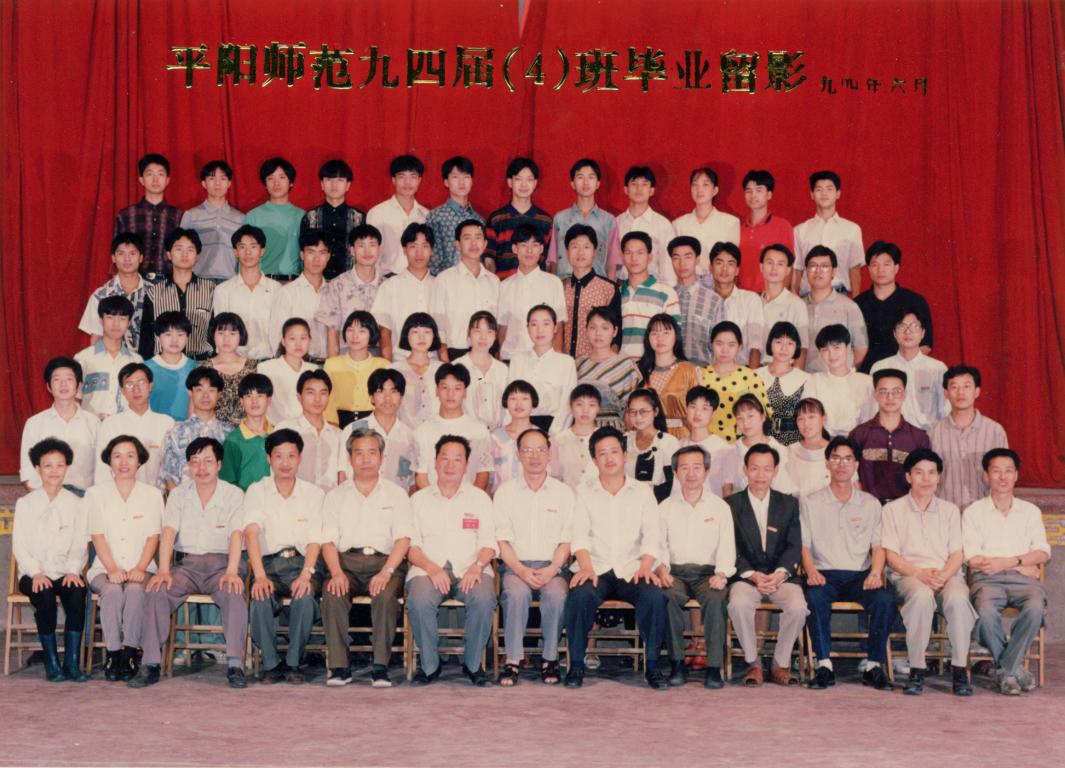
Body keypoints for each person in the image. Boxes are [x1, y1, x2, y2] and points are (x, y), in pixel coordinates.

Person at [131, 437, 248, 689]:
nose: (201, 468)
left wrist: (231, 571)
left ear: (219, 464)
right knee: (157, 590)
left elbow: (236, 534)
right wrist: (163, 570)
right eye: (195, 462)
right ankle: (150, 663)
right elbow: (168, 532)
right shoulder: (178, 494)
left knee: (234, 593)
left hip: (222, 564)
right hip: (187, 566)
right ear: (188, 466)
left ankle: (235, 665)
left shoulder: (234, 494)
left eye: (208, 461)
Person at [564, 426, 669, 689]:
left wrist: (647, 566)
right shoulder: (584, 492)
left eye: (614, 451)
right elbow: (579, 535)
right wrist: (585, 567)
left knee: (654, 596)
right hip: (595, 567)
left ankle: (653, 667)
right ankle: (575, 666)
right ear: (594, 460)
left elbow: (652, 534)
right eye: (602, 453)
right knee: (579, 595)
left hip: (632, 568)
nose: (609, 458)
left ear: (625, 455)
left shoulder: (642, 491)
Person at [320, 428, 411, 688]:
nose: (365, 459)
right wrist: (336, 573)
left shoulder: (396, 494)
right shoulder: (336, 496)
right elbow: (328, 541)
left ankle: (380, 666)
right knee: (333, 591)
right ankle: (339, 666)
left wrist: (386, 572)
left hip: (385, 563)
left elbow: (403, 539)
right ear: (350, 458)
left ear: (382, 457)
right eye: (359, 453)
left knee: (385, 595)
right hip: (346, 563)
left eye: (372, 453)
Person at [801, 436, 894, 690]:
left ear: (856, 464)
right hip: (825, 573)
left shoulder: (870, 503)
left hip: (859, 575)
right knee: (814, 597)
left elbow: (878, 545)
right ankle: (824, 666)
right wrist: (811, 571)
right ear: (827, 463)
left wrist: (876, 572)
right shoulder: (811, 501)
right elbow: (804, 545)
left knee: (884, 601)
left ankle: (873, 666)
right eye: (835, 458)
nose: (841, 464)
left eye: (848, 459)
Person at [880, 448, 976, 696]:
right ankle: (917, 669)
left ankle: (959, 670)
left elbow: (957, 553)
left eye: (932, 473)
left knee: (958, 599)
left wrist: (944, 575)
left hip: (946, 574)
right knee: (922, 597)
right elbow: (891, 555)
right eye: (919, 473)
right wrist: (919, 573)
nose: (926, 479)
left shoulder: (950, 510)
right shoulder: (892, 510)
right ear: (908, 476)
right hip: (908, 575)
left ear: (939, 477)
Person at [407, 435, 498, 686]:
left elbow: (490, 542)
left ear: (466, 465)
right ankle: (429, 666)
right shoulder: (418, 500)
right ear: (435, 462)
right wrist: (431, 568)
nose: (450, 465)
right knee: (419, 600)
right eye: (444, 458)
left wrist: (477, 567)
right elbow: (411, 546)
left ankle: (473, 665)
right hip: (428, 568)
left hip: (472, 567)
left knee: (484, 599)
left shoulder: (479, 498)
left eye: (457, 459)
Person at [963, 448, 1050, 695]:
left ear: (1016, 475)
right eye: (996, 471)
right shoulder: (973, 512)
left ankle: (1004, 670)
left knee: (1035, 608)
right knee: (985, 613)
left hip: (1024, 581)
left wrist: (1009, 562)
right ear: (986, 476)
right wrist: (1020, 563)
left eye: (1008, 471)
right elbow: (973, 558)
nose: (1003, 477)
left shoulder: (1030, 511)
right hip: (987, 579)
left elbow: (1042, 552)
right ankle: (1013, 670)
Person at [244, 428, 325, 683]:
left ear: (299, 458)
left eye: (291, 456)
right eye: (278, 456)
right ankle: (270, 663)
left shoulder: (314, 494)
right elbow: (251, 533)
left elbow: (315, 540)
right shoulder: (257, 491)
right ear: (269, 458)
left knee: (304, 597)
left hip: (303, 563)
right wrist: (259, 576)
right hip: (268, 564)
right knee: (260, 598)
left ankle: (293, 662)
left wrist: (306, 574)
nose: (285, 463)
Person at [495, 428, 574, 686]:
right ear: (518, 455)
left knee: (557, 595)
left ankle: (550, 658)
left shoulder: (564, 493)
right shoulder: (505, 492)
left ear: (549, 454)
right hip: (516, 567)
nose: (534, 456)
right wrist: (520, 569)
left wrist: (552, 569)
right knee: (515, 594)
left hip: (553, 567)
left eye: (540, 450)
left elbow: (566, 540)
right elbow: (502, 541)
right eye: (527, 450)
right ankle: (512, 660)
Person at [725, 444, 807, 686]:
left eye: (767, 469)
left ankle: (780, 663)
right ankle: (754, 663)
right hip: (746, 576)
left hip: (780, 576)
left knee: (798, 607)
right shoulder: (730, 504)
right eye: (754, 468)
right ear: (745, 470)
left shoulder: (788, 504)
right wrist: (751, 574)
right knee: (738, 604)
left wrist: (780, 573)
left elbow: (794, 545)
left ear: (776, 471)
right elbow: (728, 547)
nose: (760, 475)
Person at [656, 445, 735, 688]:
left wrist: (722, 574)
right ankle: (677, 664)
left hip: (708, 574)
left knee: (716, 598)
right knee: (665, 597)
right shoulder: (665, 507)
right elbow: (658, 545)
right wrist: (661, 570)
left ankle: (713, 667)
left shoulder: (720, 507)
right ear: (676, 473)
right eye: (684, 468)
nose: (691, 473)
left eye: (697, 467)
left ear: (707, 471)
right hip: (675, 573)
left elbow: (727, 546)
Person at [87, 435, 164, 681]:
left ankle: (130, 653)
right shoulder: (95, 494)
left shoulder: (152, 495)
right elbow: (97, 535)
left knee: (134, 590)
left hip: (142, 567)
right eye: (117, 456)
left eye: (130, 456)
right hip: (103, 568)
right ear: (109, 461)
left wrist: (140, 567)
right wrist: (111, 569)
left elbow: (153, 537)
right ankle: (113, 654)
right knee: (111, 591)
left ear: (139, 461)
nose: (124, 462)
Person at [12, 438, 90, 682]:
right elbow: (20, 546)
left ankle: (72, 664)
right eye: (48, 465)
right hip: (33, 572)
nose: (54, 471)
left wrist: (73, 570)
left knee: (76, 593)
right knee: (44, 596)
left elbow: (80, 543)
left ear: (67, 467)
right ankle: (51, 663)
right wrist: (35, 572)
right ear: (38, 469)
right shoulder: (26, 504)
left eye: (59, 465)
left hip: (65, 570)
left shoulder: (76, 503)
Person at [930, 365, 1009, 510]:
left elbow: (1004, 477)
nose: (960, 392)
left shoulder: (994, 431)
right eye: (954, 387)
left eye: (967, 386)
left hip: (983, 513)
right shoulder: (933, 433)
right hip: (944, 513)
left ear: (977, 392)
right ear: (946, 393)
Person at [850, 369, 931, 504]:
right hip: (867, 507)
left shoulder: (919, 438)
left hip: (907, 509)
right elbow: (850, 473)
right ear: (875, 395)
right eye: (883, 391)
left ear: (904, 394)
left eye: (896, 391)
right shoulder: (859, 434)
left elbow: (924, 476)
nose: (890, 397)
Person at [20, 357, 99, 494]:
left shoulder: (93, 423)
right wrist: (46, 499)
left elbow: (102, 469)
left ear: (78, 386)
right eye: (57, 379)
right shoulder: (34, 423)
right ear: (48, 387)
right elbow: (27, 472)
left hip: (84, 498)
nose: (63, 384)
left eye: (69, 379)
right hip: (46, 497)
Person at [137, 228, 215, 360]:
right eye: (179, 249)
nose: (184, 254)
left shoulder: (211, 290)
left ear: (197, 256)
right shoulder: (154, 293)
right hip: (164, 363)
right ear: (169, 254)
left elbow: (216, 332)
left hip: (200, 363)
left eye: (190, 249)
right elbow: (146, 338)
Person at [855, 241, 933, 372]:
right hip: (866, 375)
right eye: (875, 265)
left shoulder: (915, 301)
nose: (880, 270)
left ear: (896, 268)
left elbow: (926, 345)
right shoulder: (857, 304)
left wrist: (899, 367)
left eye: (886, 264)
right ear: (868, 269)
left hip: (904, 373)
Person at [412, 364, 492, 490]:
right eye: (445, 387)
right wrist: (434, 499)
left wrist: (470, 498)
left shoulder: (479, 430)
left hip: (469, 499)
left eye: (457, 388)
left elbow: (483, 473)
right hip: (432, 499)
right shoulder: (423, 431)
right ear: (436, 391)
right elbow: (421, 476)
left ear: (465, 392)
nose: (450, 394)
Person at [95, 363, 174, 488]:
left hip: (156, 494)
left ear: (150, 386)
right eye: (129, 384)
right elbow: (102, 470)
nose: (136, 389)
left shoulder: (166, 423)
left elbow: (171, 468)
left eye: (141, 383)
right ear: (122, 391)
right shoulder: (110, 424)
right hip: (118, 494)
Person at [429, 219, 500, 360]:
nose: (474, 243)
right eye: (467, 238)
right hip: (456, 353)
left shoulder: (494, 281)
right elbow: (437, 324)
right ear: (457, 244)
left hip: (488, 354)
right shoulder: (444, 279)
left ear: (485, 244)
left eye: (478, 238)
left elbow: (497, 322)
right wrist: (444, 360)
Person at [870, 308, 949, 431]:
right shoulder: (880, 368)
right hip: (891, 435)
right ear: (894, 333)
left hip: (928, 435)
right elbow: (873, 409)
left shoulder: (937, 368)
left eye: (914, 326)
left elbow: (946, 410)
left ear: (923, 333)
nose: (908, 332)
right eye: (902, 326)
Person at [157, 367, 235, 491]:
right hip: (184, 500)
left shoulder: (230, 433)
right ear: (190, 392)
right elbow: (168, 477)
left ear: (219, 394)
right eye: (199, 389)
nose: (205, 395)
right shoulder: (176, 433)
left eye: (211, 390)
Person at [338, 368, 417, 490]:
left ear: (401, 397)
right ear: (371, 397)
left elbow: (408, 479)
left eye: (394, 391)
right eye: (381, 391)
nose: (387, 398)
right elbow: (342, 474)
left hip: (395, 499)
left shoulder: (409, 435)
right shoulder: (353, 430)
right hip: (359, 497)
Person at [316, 224, 387, 358]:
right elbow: (332, 332)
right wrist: (334, 365)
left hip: (379, 358)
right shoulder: (337, 285)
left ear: (379, 250)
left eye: (372, 245)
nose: (367, 251)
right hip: (346, 357)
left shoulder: (387, 286)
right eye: (361, 246)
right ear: (352, 251)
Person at [497, 224, 566, 360]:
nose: (529, 251)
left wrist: (556, 358)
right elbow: (503, 328)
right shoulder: (505, 285)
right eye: (523, 245)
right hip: (512, 358)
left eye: (534, 245)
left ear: (541, 249)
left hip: (544, 358)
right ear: (514, 248)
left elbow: (558, 325)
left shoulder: (553, 283)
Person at [212, 224, 281, 361]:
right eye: (242, 247)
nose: (248, 252)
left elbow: (280, 330)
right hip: (234, 362)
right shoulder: (223, 290)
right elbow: (220, 332)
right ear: (235, 252)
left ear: (262, 251)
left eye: (253, 246)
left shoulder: (277, 289)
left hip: (268, 360)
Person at [792, 171, 864, 297]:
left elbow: (855, 270)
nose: (824, 193)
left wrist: (857, 302)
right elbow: (797, 269)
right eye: (819, 189)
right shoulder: (799, 230)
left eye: (829, 189)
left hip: (839, 295)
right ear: (812, 195)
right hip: (808, 296)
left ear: (838, 193)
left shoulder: (852, 229)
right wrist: (794, 300)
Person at [507, 305, 577, 434]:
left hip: (552, 427)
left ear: (555, 328)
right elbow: (510, 398)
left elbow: (567, 404)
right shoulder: (517, 360)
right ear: (528, 328)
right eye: (534, 324)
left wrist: (554, 434)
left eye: (546, 324)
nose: (540, 330)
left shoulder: (566, 362)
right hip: (520, 425)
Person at [372, 223, 436, 361]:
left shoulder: (440, 285)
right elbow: (384, 332)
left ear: (431, 250)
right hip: (400, 361)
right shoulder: (390, 286)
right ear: (404, 250)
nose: (419, 253)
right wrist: (388, 366)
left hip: (434, 362)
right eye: (413, 246)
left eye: (425, 246)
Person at [547, 158, 619, 279]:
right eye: (580, 177)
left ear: (598, 184)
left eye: (591, 177)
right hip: (565, 282)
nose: (585, 182)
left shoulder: (608, 220)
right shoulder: (560, 219)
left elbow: (612, 261)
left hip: (597, 284)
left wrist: (611, 287)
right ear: (572, 184)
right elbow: (553, 259)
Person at [113, 153, 182, 280]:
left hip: (168, 283)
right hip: (134, 282)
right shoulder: (125, 215)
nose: (155, 180)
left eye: (160, 174)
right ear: (141, 180)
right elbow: (117, 253)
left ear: (167, 180)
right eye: (150, 174)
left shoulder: (178, 216)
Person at [267, 229, 332, 364]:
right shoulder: (287, 293)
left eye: (322, 253)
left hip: (330, 365)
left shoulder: (335, 292)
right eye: (311, 252)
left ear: (328, 256)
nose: (316, 259)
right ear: (302, 255)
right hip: (298, 365)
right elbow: (276, 337)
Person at [700, 321, 770, 443]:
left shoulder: (750, 376)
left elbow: (763, 414)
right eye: (719, 344)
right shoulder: (699, 374)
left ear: (740, 347)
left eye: (731, 345)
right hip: (704, 442)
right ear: (711, 344)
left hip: (739, 444)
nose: (724, 350)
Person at [74, 295, 142, 418]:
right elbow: (75, 398)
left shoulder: (136, 361)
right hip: (92, 425)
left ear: (129, 322)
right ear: (101, 320)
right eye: (110, 317)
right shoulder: (83, 358)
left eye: (122, 318)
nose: (116, 324)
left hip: (125, 426)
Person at [484, 157, 553, 278]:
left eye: (529, 179)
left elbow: (549, 263)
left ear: (535, 183)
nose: (524, 184)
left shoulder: (546, 221)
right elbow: (489, 261)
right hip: (504, 286)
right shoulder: (496, 220)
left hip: (537, 286)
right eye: (518, 179)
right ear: (510, 182)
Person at [804, 246, 868, 374]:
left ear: (834, 271)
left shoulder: (849, 307)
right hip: (804, 380)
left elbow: (861, 348)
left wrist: (846, 377)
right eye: (813, 266)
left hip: (838, 380)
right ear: (806, 271)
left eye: (824, 266)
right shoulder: (798, 306)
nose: (818, 271)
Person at [79, 233, 149, 351]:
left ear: (141, 257)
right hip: (112, 359)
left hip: (147, 360)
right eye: (121, 253)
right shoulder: (101, 295)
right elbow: (96, 337)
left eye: (132, 253)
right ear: (113, 258)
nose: (127, 259)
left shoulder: (154, 292)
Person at [179, 160, 246, 283]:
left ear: (229, 183)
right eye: (212, 178)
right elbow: (181, 250)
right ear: (204, 183)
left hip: (231, 282)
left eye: (222, 178)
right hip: (198, 280)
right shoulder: (191, 215)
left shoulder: (240, 218)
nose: (217, 183)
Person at [575, 307, 641, 430]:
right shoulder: (577, 364)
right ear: (586, 330)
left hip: (613, 430)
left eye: (605, 328)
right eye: (593, 327)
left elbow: (631, 408)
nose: (598, 333)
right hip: (582, 428)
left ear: (615, 331)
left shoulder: (626, 365)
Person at [804, 325, 876, 436]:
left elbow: (871, 420)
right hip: (822, 441)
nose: (832, 354)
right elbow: (808, 418)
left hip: (858, 441)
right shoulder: (814, 381)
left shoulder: (866, 382)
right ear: (820, 353)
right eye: (825, 350)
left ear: (848, 348)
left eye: (837, 348)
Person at [300, 159, 365, 280]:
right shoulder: (310, 217)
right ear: (322, 184)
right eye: (329, 179)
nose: (334, 185)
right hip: (317, 282)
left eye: (340, 180)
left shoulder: (359, 218)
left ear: (348, 185)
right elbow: (303, 252)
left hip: (350, 282)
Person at [637, 313, 700, 439]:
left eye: (666, 332)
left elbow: (697, 411)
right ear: (648, 338)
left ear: (676, 336)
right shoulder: (638, 371)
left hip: (680, 438)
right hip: (647, 437)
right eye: (654, 333)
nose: (660, 338)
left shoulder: (688, 370)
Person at [277, 369, 343, 490]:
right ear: (299, 397)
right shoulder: (285, 429)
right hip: (296, 498)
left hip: (329, 499)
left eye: (323, 393)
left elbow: (342, 477)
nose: (317, 399)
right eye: (311, 392)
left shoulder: (338, 435)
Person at [619, 231, 681, 358]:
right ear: (622, 257)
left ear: (650, 257)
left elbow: (674, 335)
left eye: (640, 253)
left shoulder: (666, 293)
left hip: (653, 365)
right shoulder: (616, 293)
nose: (634, 258)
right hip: (621, 365)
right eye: (628, 253)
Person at [322, 310, 389, 428]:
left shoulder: (383, 365)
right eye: (350, 330)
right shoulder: (331, 364)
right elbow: (327, 399)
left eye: (362, 331)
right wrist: (333, 426)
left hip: (374, 425)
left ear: (372, 334)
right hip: (338, 424)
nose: (355, 336)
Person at [670, 237, 726, 373]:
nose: (682, 263)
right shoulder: (667, 296)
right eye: (676, 257)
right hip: (670, 373)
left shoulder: (714, 300)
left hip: (702, 373)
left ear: (697, 259)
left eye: (687, 257)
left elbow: (721, 343)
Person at [366, 154, 429, 274]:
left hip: (419, 279)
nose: (407, 182)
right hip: (386, 279)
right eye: (402, 177)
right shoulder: (377, 213)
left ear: (419, 180)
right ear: (393, 180)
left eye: (413, 177)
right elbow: (371, 253)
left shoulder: (426, 215)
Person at [244, 156, 305, 281]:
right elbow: (243, 255)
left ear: (291, 182)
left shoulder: (302, 216)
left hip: (292, 283)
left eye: (282, 177)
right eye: (270, 178)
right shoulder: (253, 216)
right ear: (265, 184)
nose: (276, 183)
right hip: (261, 283)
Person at [671, 167, 740, 273]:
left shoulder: (730, 222)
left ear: (715, 190)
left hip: (719, 280)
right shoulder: (678, 224)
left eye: (705, 185)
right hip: (687, 281)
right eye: (695, 185)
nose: (699, 190)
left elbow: (732, 261)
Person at [707, 242, 765, 368]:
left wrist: (751, 375)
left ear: (737, 270)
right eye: (719, 263)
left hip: (742, 370)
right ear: (710, 267)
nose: (724, 269)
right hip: (710, 371)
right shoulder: (704, 299)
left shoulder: (751, 300)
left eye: (730, 264)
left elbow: (756, 344)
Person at [614, 166, 676, 283]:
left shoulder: (663, 224)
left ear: (651, 191)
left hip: (654, 287)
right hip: (622, 287)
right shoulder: (616, 223)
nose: (639, 189)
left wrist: (667, 289)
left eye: (644, 184)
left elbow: (668, 265)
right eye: (634, 184)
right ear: (626, 189)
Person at [426, 156, 484, 275]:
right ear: (446, 182)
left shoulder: (479, 219)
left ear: (472, 181)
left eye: (466, 177)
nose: (461, 182)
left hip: (475, 280)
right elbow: (433, 260)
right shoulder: (435, 217)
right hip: (446, 281)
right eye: (455, 177)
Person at [728, 395, 796, 495]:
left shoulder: (780, 450)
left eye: (750, 416)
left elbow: (785, 491)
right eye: (740, 418)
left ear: (763, 417)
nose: (745, 422)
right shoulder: (731, 451)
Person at [738, 170, 793, 293]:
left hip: (770, 295)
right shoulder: (738, 228)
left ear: (769, 195)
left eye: (759, 190)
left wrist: (779, 298)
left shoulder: (782, 227)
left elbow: (789, 267)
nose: (753, 195)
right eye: (748, 191)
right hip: (742, 296)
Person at [452, 311, 509, 429]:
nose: (483, 337)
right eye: (477, 331)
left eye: (489, 332)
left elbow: (508, 408)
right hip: (465, 433)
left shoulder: (503, 370)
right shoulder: (456, 367)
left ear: (495, 335)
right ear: (469, 333)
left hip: (499, 433)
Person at [756, 321, 810, 445]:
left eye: (790, 343)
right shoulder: (756, 375)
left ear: (796, 347)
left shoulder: (805, 379)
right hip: (760, 441)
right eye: (778, 342)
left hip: (794, 443)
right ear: (770, 343)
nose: (784, 348)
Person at [218, 373, 274, 491]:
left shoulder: (277, 434)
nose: (254, 401)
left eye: (260, 395)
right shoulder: (232, 441)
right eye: (248, 396)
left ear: (269, 400)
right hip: (245, 501)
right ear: (241, 401)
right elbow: (227, 485)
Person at [259, 318, 318, 425]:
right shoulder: (266, 368)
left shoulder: (314, 370)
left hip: (308, 428)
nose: (298, 344)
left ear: (309, 340)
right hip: (276, 429)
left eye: (303, 338)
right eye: (292, 338)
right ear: (283, 341)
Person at [624, 389, 680, 502]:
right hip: (627, 505)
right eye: (633, 412)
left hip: (658, 506)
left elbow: (675, 485)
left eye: (643, 412)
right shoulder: (624, 440)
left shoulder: (668, 442)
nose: (638, 417)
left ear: (655, 411)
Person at [204, 312, 258, 426]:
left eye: (232, 334)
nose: (226, 339)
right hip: (213, 431)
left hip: (247, 432)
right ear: (213, 335)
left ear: (241, 336)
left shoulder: (254, 367)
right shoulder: (203, 368)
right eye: (221, 333)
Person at [390, 312, 442, 428]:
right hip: (403, 433)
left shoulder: (443, 369)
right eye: (415, 332)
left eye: (427, 332)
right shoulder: (394, 370)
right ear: (406, 335)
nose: (421, 337)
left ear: (434, 335)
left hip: (437, 433)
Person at [680, 386, 735, 497]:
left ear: (713, 413)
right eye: (693, 407)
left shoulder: (723, 449)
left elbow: (727, 494)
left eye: (704, 408)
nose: (697, 413)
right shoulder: (679, 445)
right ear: (686, 409)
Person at [760, 244, 809, 368]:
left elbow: (802, 348)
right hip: (753, 371)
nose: (774, 268)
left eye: (780, 264)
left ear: (788, 270)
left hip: (783, 370)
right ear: (761, 267)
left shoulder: (796, 304)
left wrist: (794, 377)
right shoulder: (753, 302)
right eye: (770, 262)